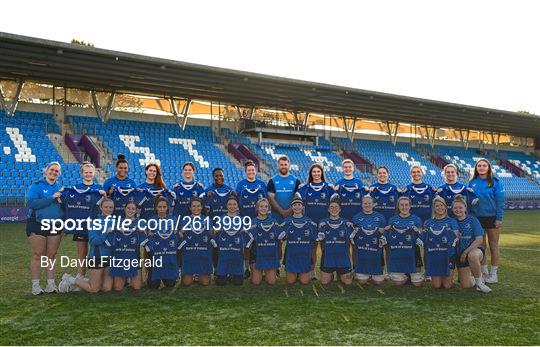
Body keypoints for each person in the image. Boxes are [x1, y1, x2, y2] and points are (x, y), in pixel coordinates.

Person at [60, 162, 105, 282]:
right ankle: (80, 275)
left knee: (96, 251)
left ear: (94, 173)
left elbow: (106, 207)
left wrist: (105, 196)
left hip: (95, 226)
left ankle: (95, 276)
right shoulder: (74, 189)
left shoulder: (99, 189)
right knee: (81, 253)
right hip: (80, 226)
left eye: (90, 172)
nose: (88, 174)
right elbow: (66, 205)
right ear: (82, 173)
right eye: (86, 172)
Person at [58, 198, 115, 293]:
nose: (108, 209)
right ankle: (70, 279)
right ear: (101, 207)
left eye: (111, 207)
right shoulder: (94, 221)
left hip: (110, 258)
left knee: (107, 288)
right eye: (106, 207)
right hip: (97, 257)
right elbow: (94, 241)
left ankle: (83, 283)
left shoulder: (115, 221)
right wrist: (106, 232)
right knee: (94, 289)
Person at [26, 161, 64, 295]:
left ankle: (50, 284)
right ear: (46, 170)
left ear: (59, 174)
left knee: (51, 256)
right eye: (52, 170)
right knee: (38, 255)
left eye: (56, 171)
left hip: (55, 225)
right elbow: (32, 203)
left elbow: (63, 208)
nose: (53, 172)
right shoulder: (36, 186)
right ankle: (36, 285)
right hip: (37, 223)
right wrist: (52, 197)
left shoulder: (61, 187)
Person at [469, 158, 505, 284]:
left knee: (493, 246)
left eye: (484, 165)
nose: (482, 167)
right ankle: (484, 272)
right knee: (481, 246)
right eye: (479, 165)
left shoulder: (495, 182)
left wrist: (499, 218)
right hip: (477, 218)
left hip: (492, 218)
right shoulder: (472, 182)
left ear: (488, 168)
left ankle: (493, 274)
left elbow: (500, 201)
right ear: (476, 168)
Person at [452, 195, 492, 293]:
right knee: (466, 285)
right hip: (460, 254)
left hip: (475, 250)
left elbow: (479, 240)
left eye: (460, 207)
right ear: (452, 209)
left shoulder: (472, 219)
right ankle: (475, 276)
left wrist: (465, 252)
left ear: (465, 208)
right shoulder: (452, 221)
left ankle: (480, 283)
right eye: (455, 208)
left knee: (472, 256)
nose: (458, 210)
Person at [211, 196, 253, 285]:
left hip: (237, 254)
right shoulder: (221, 218)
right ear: (226, 205)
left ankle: (235, 273)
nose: (232, 206)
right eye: (230, 204)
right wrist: (215, 230)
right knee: (220, 283)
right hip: (224, 254)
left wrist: (245, 231)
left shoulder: (241, 219)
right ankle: (222, 272)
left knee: (238, 283)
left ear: (237, 206)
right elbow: (214, 233)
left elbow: (247, 236)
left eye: (234, 204)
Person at [419, 196, 459, 289]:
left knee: (447, 285)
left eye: (441, 205)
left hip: (448, 255)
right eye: (437, 206)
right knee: (437, 286)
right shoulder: (428, 222)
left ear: (445, 207)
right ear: (433, 208)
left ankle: (460, 279)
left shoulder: (451, 221)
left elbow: (456, 238)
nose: (439, 208)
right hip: (434, 256)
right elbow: (423, 239)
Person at [382, 196, 424, 286]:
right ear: (398, 206)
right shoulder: (393, 219)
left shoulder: (416, 219)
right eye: (402, 205)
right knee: (399, 283)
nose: (404, 207)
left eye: (406, 205)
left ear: (410, 206)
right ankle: (403, 274)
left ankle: (411, 274)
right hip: (398, 253)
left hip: (413, 253)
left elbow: (421, 236)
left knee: (417, 283)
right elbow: (388, 236)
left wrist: (418, 231)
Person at [278, 196, 318, 285]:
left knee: (304, 282)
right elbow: (280, 237)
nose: (297, 207)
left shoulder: (309, 222)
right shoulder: (287, 221)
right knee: (290, 281)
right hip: (291, 256)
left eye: (299, 204)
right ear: (292, 207)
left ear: (302, 207)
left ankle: (302, 273)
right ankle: (294, 273)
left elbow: (315, 240)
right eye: (294, 205)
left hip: (304, 256)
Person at [143, 196, 180, 288]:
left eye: (164, 207)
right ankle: (152, 273)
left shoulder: (173, 219)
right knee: (153, 286)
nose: (162, 209)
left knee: (170, 284)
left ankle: (172, 273)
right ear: (156, 207)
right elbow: (148, 236)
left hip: (168, 253)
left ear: (167, 207)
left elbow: (175, 235)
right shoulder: (151, 220)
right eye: (159, 207)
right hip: (156, 254)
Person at [108, 202, 145, 291]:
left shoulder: (140, 223)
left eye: (133, 209)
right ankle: (125, 278)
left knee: (137, 287)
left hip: (134, 257)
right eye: (128, 208)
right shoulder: (117, 222)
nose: (130, 210)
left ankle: (129, 278)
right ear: (125, 209)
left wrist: (144, 231)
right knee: (117, 287)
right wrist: (109, 230)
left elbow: (145, 239)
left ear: (136, 210)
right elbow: (109, 238)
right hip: (120, 257)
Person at [351, 195, 387, 285]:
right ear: (361, 205)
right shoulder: (356, 217)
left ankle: (380, 269)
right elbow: (353, 235)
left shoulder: (380, 217)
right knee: (362, 281)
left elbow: (384, 233)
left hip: (375, 250)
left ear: (373, 204)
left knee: (379, 282)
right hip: (362, 251)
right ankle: (358, 269)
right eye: (365, 203)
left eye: (369, 203)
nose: (367, 205)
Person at [317, 198, 353, 285]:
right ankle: (331, 274)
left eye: (336, 207)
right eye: (332, 207)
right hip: (328, 258)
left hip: (343, 258)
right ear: (328, 209)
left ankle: (341, 273)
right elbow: (320, 240)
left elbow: (350, 241)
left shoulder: (346, 222)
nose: (334, 209)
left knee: (347, 282)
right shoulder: (323, 222)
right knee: (324, 282)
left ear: (340, 209)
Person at [178, 198, 213, 286]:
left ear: (202, 207)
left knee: (205, 283)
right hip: (189, 254)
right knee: (186, 283)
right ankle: (192, 274)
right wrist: (180, 233)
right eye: (193, 206)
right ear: (190, 208)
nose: (196, 208)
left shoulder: (207, 220)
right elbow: (180, 236)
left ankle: (199, 275)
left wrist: (214, 231)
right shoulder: (185, 220)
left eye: (198, 206)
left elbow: (211, 236)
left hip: (203, 253)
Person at [248, 198, 281, 285]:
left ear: (268, 209)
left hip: (270, 255)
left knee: (271, 282)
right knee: (255, 282)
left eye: (266, 206)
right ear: (257, 208)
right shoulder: (252, 222)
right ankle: (256, 272)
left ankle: (268, 273)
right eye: (261, 206)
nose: (263, 208)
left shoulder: (273, 222)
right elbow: (248, 241)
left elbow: (281, 236)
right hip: (257, 255)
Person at [267, 155, 302, 223]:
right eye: (281, 164)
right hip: (276, 217)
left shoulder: (296, 180)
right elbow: (270, 198)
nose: (283, 166)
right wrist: (282, 211)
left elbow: (298, 198)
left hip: (292, 216)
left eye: (285, 164)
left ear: (289, 165)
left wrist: (289, 211)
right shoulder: (272, 180)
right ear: (278, 166)